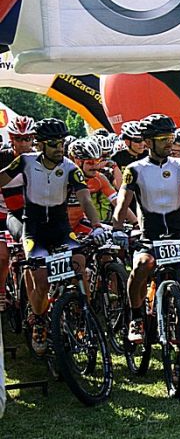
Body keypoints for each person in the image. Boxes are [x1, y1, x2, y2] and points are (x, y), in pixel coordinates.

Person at [111, 114, 180, 344]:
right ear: (148, 142)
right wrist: (118, 229)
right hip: (150, 235)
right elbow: (122, 203)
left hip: (179, 233)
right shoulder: (134, 169)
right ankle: (136, 317)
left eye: (171, 138)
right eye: (163, 139)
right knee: (142, 265)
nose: (169, 143)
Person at [0, 118, 107, 355]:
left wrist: (97, 225)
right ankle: (39, 321)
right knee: (41, 279)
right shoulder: (25, 161)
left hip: (61, 229)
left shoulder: (70, 168)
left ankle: (81, 316)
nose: (59, 148)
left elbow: (85, 199)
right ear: (40, 145)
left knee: (80, 266)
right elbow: (2, 178)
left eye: (61, 143)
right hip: (34, 229)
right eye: (53, 144)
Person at [0, 116, 36, 311]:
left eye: (27, 139)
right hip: (1, 212)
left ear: (33, 139)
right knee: (2, 256)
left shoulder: (40, 158)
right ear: (11, 139)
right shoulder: (2, 157)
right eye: (18, 139)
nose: (23, 144)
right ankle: (1, 292)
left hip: (25, 212)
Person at [66, 137, 137, 232]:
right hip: (60, 227)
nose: (95, 166)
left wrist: (136, 223)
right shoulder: (64, 179)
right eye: (90, 162)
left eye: (97, 161)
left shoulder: (99, 178)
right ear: (77, 162)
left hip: (78, 225)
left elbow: (119, 203)